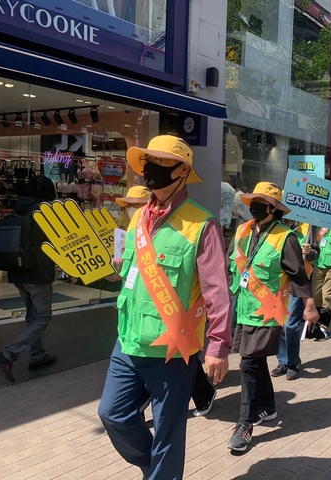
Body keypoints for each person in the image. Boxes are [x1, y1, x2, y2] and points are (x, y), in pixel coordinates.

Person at [97, 135, 232, 480]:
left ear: (182, 171)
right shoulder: (137, 218)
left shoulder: (202, 225)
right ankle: (153, 468)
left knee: (169, 433)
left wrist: (218, 346)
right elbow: (130, 273)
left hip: (173, 349)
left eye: (158, 162)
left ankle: (162, 473)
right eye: (146, 163)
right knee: (113, 414)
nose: (148, 170)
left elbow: (218, 291)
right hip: (128, 342)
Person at [227, 182, 320, 452]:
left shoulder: (285, 237)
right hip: (243, 308)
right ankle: (268, 407)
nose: (254, 206)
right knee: (255, 362)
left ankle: (245, 424)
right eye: (253, 201)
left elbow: (299, 276)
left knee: (247, 364)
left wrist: (309, 305)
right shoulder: (243, 230)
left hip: (268, 313)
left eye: (261, 202)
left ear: (274, 208)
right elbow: (230, 263)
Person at [0, 176, 58, 384]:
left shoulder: (19, 208)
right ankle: (8, 355)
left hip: (18, 271)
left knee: (33, 317)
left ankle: (38, 357)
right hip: (37, 274)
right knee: (42, 318)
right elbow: (55, 243)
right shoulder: (44, 213)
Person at [271, 219, 319, 380]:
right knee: (279, 324)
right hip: (276, 285)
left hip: (297, 285)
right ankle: (282, 360)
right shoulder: (275, 226)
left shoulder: (308, 226)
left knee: (290, 326)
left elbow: (316, 253)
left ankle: (293, 362)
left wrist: (309, 252)